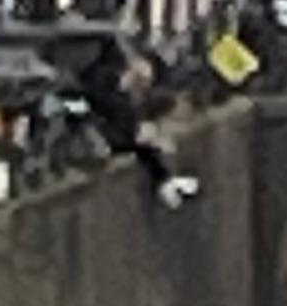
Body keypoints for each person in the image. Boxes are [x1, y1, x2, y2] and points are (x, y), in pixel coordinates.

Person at [83, 38, 200, 210]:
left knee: (146, 145)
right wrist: (138, 133)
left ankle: (165, 180)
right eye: (142, 83)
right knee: (143, 142)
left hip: (113, 131)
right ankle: (164, 180)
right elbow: (107, 109)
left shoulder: (125, 97)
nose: (142, 89)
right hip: (98, 131)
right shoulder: (106, 83)